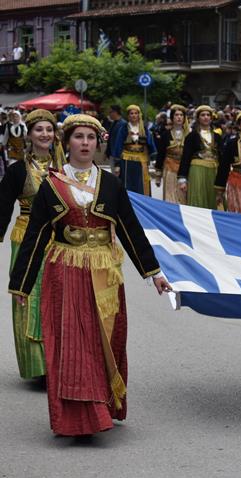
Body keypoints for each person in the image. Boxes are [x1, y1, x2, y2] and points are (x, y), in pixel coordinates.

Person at [7, 114, 171, 436]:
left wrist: (154, 273)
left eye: (90, 138)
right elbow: (36, 236)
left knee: (103, 340)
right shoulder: (52, 185)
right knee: (73, 342)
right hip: (65, 271)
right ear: (67, 142)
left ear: (98, 143)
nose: (85, 143)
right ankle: (81, 416)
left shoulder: (110, 184)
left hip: (104, 273)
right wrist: (21, 285)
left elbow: (130, 229)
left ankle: (103, 406)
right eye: (79, 137)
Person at [0, 109, 65, 382]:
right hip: (26, 237)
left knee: (59, 298)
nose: (44, 134)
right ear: (29, 134)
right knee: (27, 296)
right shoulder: (17, 171)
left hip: (59, 240)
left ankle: (60, 362)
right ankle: (37, 365)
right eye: (39, 129)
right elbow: (3, 207)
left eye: (49, 129)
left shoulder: (65, 169)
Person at [178, 105, 222, 209]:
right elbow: (185, 157)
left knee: (215, 201)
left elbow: (221, 157)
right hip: (197, 171)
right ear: (198, 118)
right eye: (203, 115)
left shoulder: (217, 137)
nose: (206, 117)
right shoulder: (191, 136)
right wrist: (182, 178)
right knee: (198, 199)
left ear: (211, 118)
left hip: (214, 171)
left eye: (208, 115)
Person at [111, 104, 157, 196]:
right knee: (127, 185)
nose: (134, 115)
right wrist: (117, 164)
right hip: (127, 162)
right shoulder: (123, 128)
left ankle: (142, 203)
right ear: (128, 116)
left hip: (141, 162)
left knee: (141, 186)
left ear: (139, 115)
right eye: (131, 113)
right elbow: (118, 145)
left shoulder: (144, 129)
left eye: (136, 113)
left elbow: (150, 144)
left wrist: (154, 159)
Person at [154, 104, 189, 204]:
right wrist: (158, 174)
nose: (179, 117)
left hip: (186, 170)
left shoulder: (189, 134)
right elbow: (161, 154)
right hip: (170, 168)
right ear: (172, 117)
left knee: (184, 198)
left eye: (181, 115)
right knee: (170, 197)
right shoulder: (166, 134)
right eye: (176, 115)